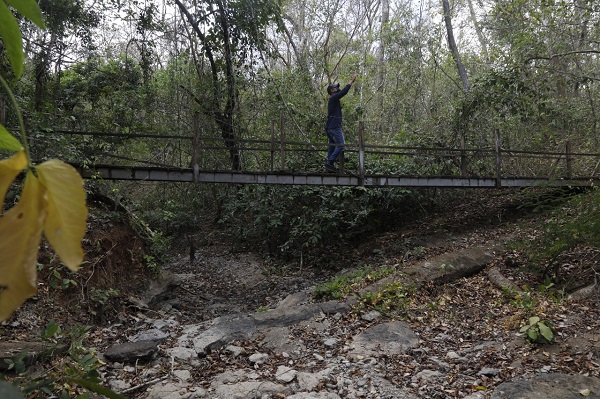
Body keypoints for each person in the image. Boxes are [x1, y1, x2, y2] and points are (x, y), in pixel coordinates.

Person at [324, 73, 357, 172]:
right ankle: (329, 162)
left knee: (332, 146)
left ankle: (330, 167)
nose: (337, 89)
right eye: (335, 88)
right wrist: (351, 81)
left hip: (330, 126)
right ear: (332, 91)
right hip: (334, 126)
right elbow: (344, 92)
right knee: (341, 145)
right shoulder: (333, 98)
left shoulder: (334, 99)